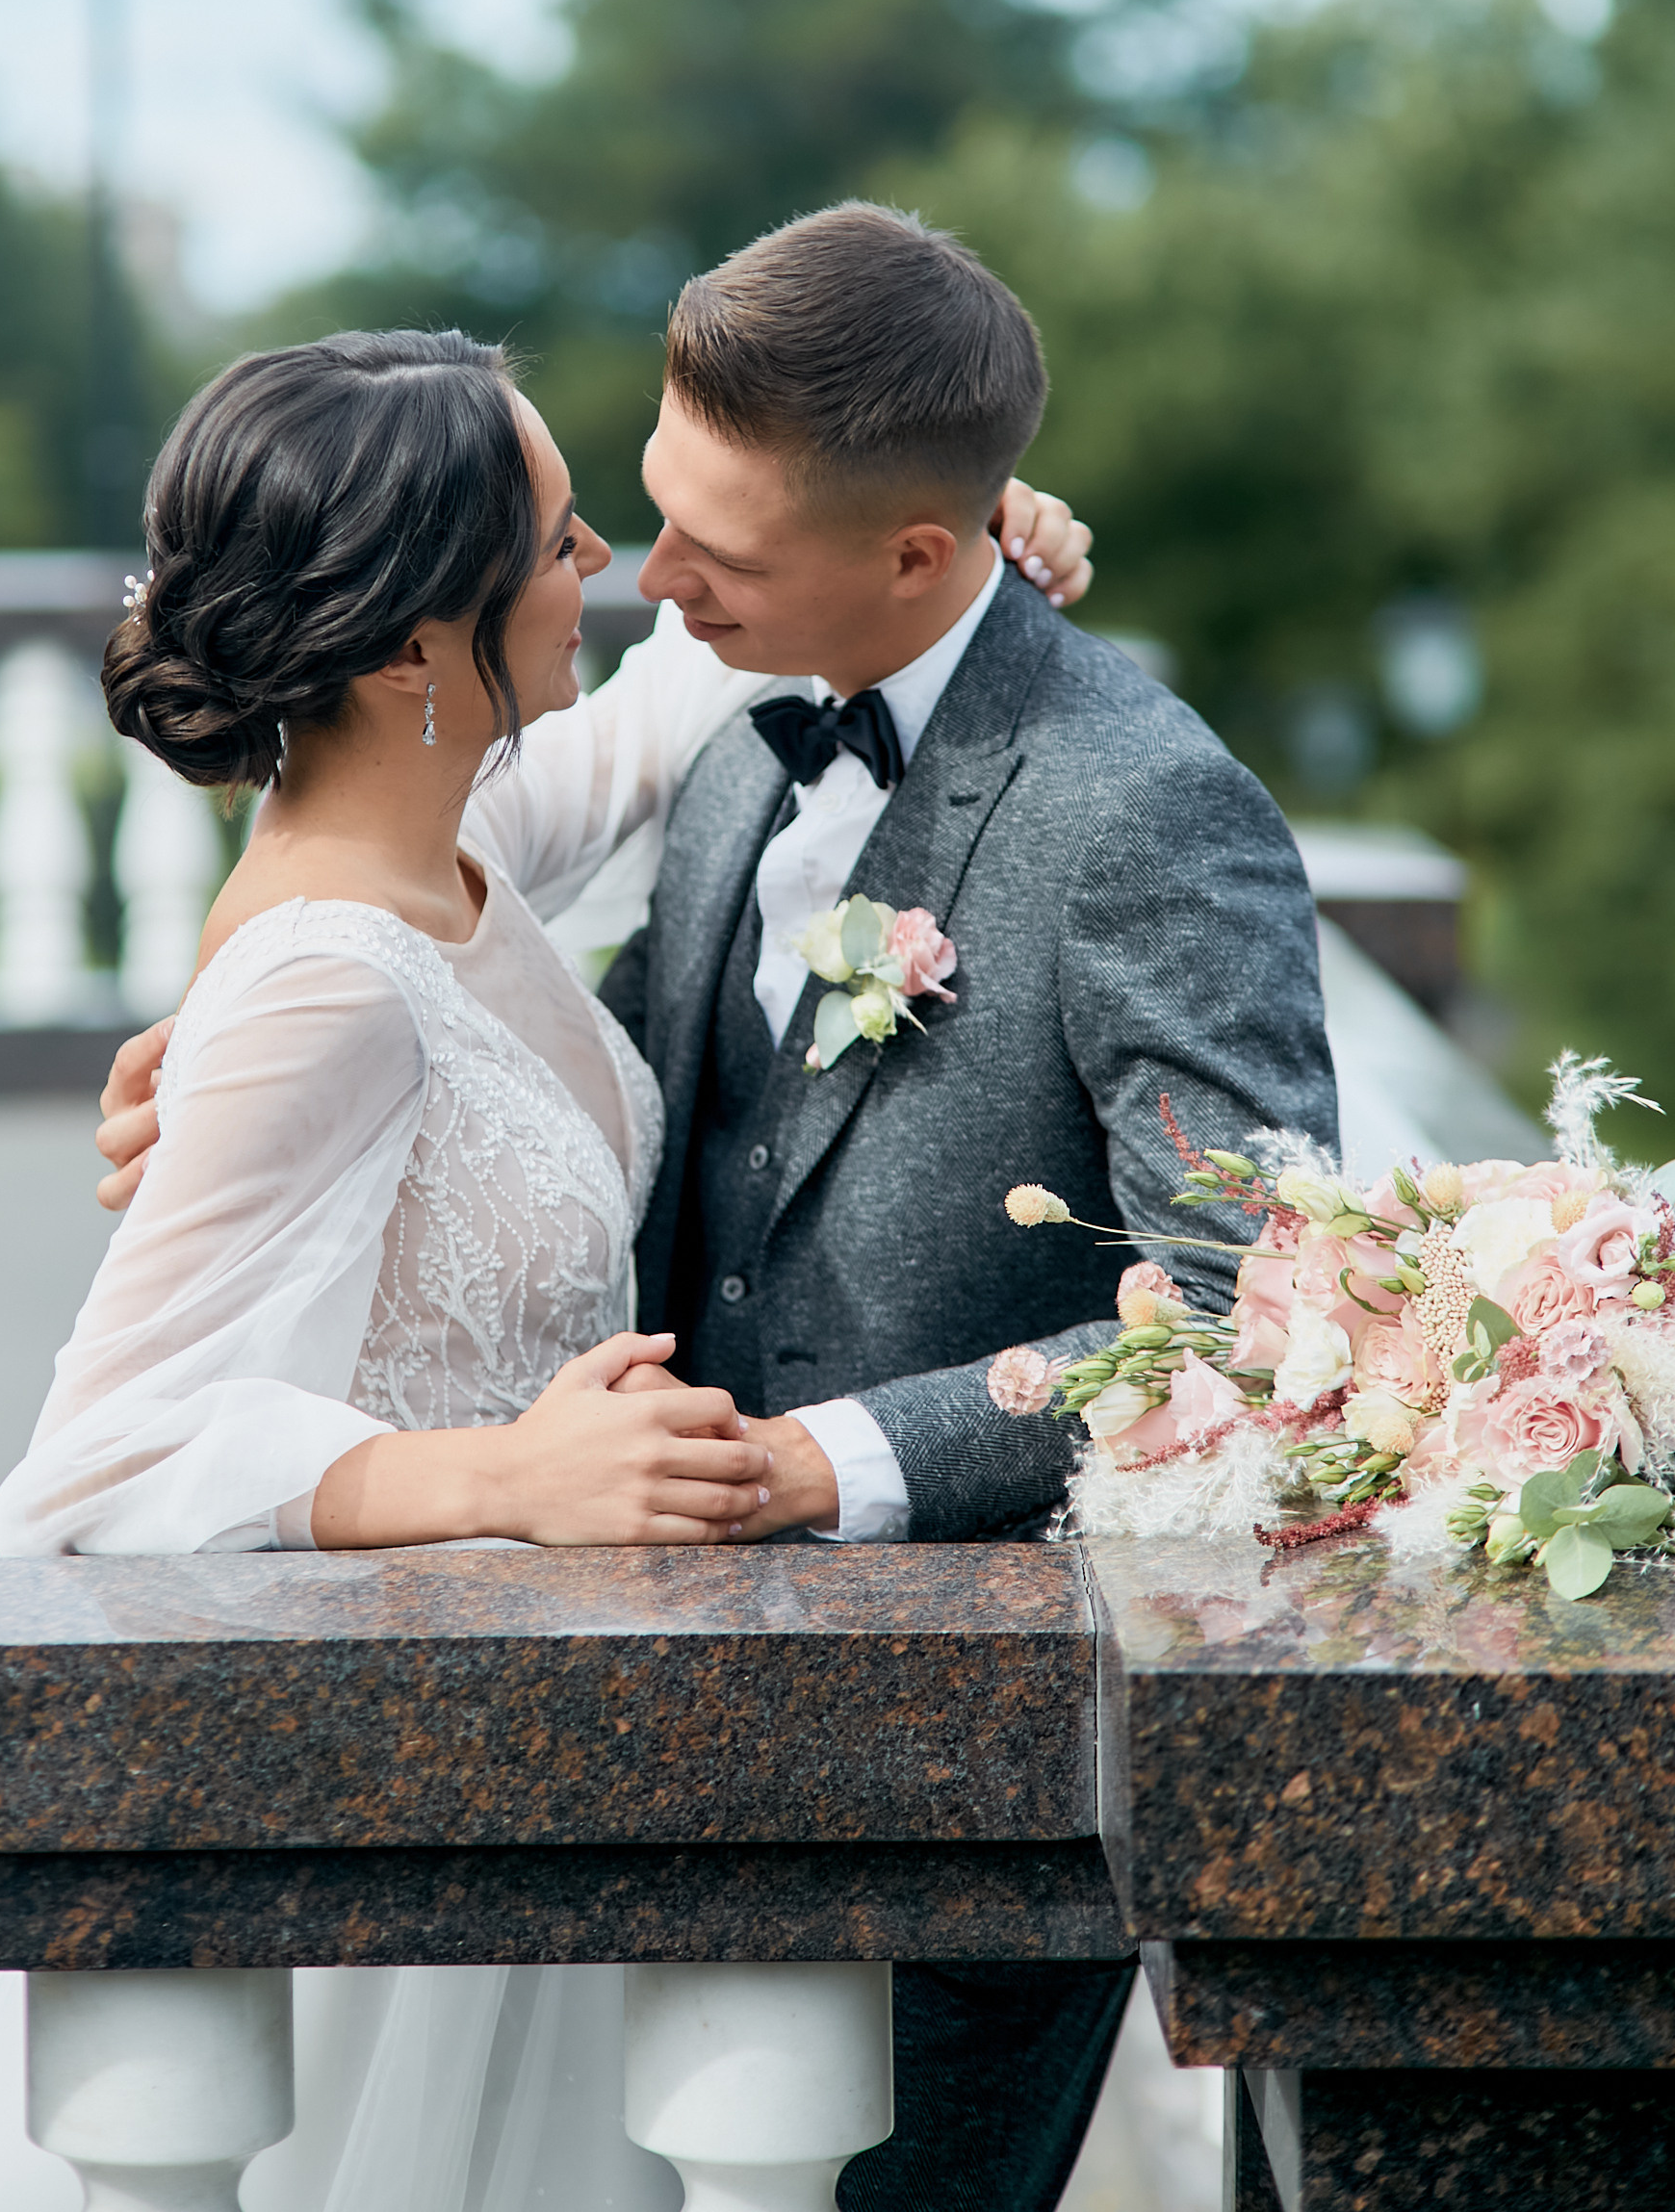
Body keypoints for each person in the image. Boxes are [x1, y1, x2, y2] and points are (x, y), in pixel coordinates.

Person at [91, 202, 1339, 2212]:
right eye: (626, 520)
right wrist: (244, 1061)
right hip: (572, 1766)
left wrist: (824, 1468)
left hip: (947, 1788)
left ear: (916, 555)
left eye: (712, 550)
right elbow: (475, 1004)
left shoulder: (1140, 808)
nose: (651, 586)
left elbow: (1259, 1308)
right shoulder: (732, 704)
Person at [0, 307, 1090, 2212]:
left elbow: (670, 704)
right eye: (563, 541)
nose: (612, 577)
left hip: (529, 1749)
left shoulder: (456, 833)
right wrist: (508, 1477)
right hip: (379, 1842)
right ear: (416, 646)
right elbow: (85, 1476)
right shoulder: (329, 983)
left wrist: (963, 546)